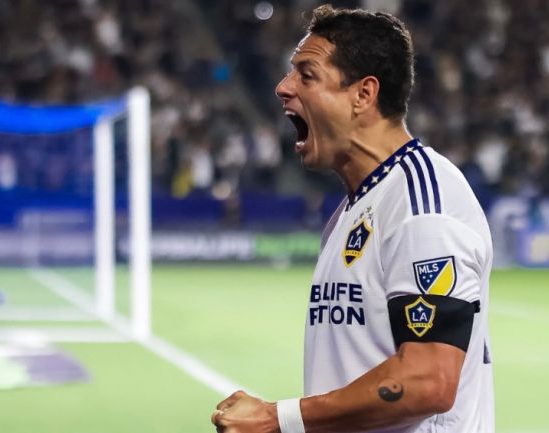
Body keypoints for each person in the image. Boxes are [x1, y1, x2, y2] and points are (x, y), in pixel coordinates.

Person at [211, 5, 494, 433]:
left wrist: (278, 418)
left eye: (306, 75)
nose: (283, 87)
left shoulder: (421, 202)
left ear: (363, 94)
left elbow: (428, 382)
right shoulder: (352, 211)